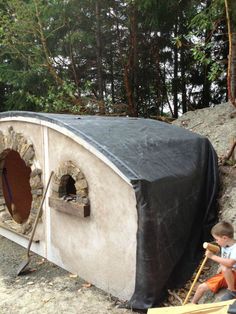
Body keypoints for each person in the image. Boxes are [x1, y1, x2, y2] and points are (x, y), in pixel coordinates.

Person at [192, 221, 236, 304]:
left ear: (225, 238)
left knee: (226, 267)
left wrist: (212, 256)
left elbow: (230, 263)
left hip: (233, 275)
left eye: (217, 239)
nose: (216, 241)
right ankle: (192, 305)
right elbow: (224, 257)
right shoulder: (224, 245)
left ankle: (232, 291)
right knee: (201, 287)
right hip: (227, 275)